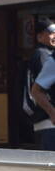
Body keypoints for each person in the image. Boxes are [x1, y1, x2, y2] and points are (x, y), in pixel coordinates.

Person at [24, 17, 55, 151]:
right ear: (39, 37)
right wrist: (52, 112)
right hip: (48, 122)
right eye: (51, 32)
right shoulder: (44, 55)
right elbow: (37, 90)